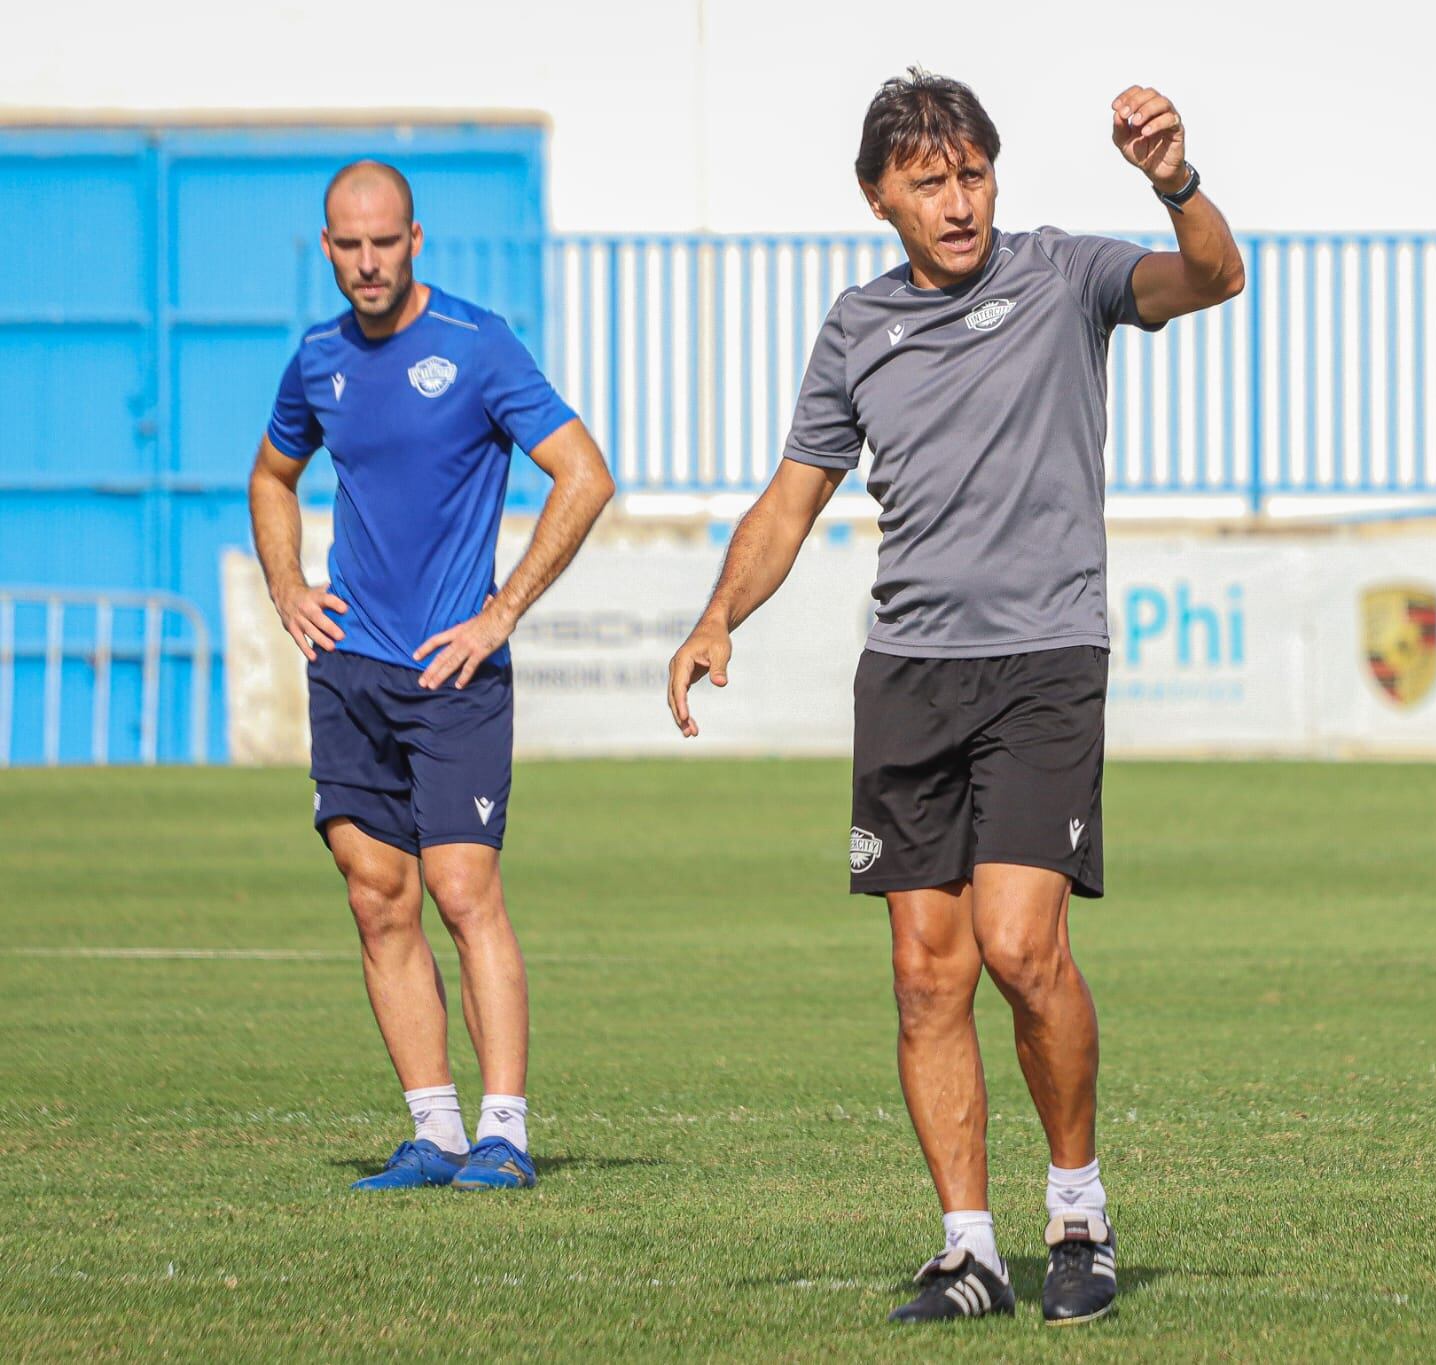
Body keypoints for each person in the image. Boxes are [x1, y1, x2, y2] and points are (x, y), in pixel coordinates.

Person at [666, 70, 1242, 1323]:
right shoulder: (852, 327)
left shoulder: (1063, 274)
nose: (958, 200)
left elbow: (1209, 279)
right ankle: (969, 1250)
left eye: (971, 171)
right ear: (879, 196)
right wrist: (719, 616)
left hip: (1042, 662)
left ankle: (1077, 1213)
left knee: (1021, 949)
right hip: (910, 675)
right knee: (927, 977)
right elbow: (791, 499)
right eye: (927, 181)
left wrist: (1174, 181)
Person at [247, 161, 614, 1192]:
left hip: (452, 672)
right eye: (348, 245)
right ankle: (433, 1130)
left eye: (384, 242)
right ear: (328, 248)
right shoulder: (316, 359)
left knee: (462, 889)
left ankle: (504, 1132)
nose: (367, 262)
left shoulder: (476, 345)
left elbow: (584, 474)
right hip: (349, 665)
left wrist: (499, 614)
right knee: (375, 897)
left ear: (416, 240)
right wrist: (289, 586)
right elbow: (273, 475)